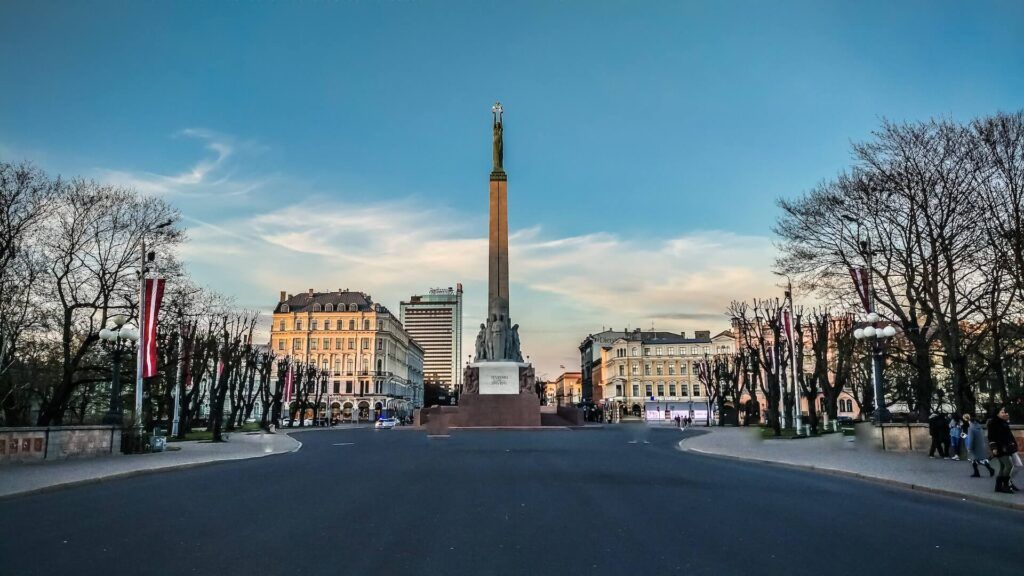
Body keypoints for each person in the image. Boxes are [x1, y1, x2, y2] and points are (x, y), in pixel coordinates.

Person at [987, 406, 1018, 494]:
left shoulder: (1003, 422)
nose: (1004, 413)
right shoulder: (993, 423)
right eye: (1002, 412)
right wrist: (994, 448)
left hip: (1006, 447)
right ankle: (1005, 485)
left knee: (1003, 466)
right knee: (1009, 466)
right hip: (1000, 448)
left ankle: (998, 486)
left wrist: (1013, 443)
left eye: (1004, 412)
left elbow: (1008, 434)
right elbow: (991, 437)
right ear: (997, 413)